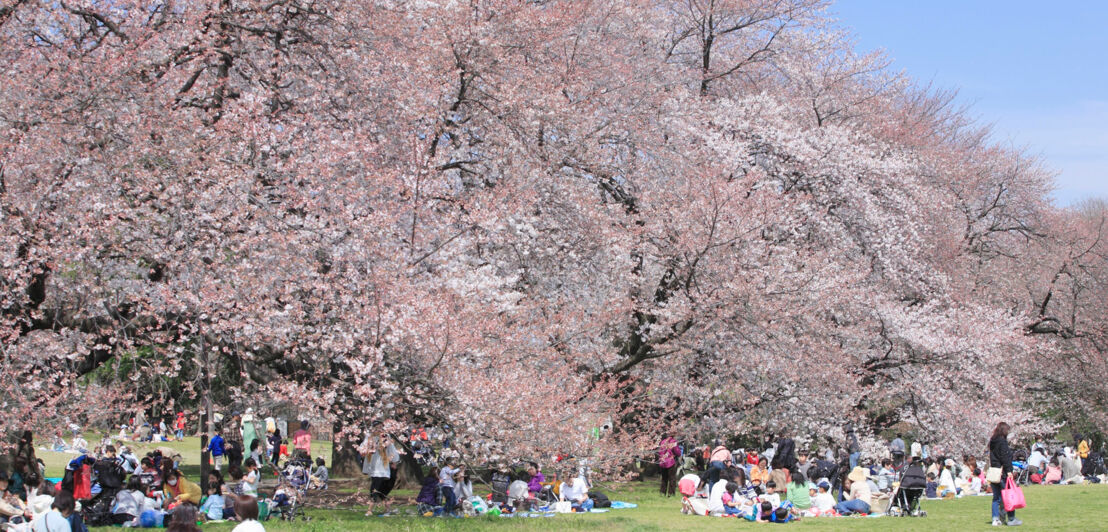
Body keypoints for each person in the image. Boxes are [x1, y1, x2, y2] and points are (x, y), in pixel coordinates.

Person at [988, 421, 1021, 527]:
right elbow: (1005, 457)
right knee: (1009, 496)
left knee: (996, 498)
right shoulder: (1002, 442)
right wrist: (1009, 471)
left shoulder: (992, 442)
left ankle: (995, 519)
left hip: (994, 472)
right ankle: (1011, 518)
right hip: (1002, 473)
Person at [362, 431, 399, 516]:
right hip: (375, 467)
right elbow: (363, 449)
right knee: (377, 489)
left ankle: (376, 509)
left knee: (379, 489)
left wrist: (394, 461)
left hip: (383, 468)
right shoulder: (370, 438)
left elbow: (392, 451)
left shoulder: (386, 438)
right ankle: (380, 509)